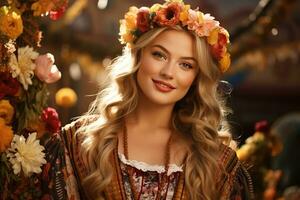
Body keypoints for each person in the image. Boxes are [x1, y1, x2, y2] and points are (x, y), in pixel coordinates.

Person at [40, 0, 254, 199]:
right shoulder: (79, 142)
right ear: (138, 56)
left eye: (186, 65)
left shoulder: (216, 161)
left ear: (196, 78)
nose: (168, 72)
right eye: (159, 55)